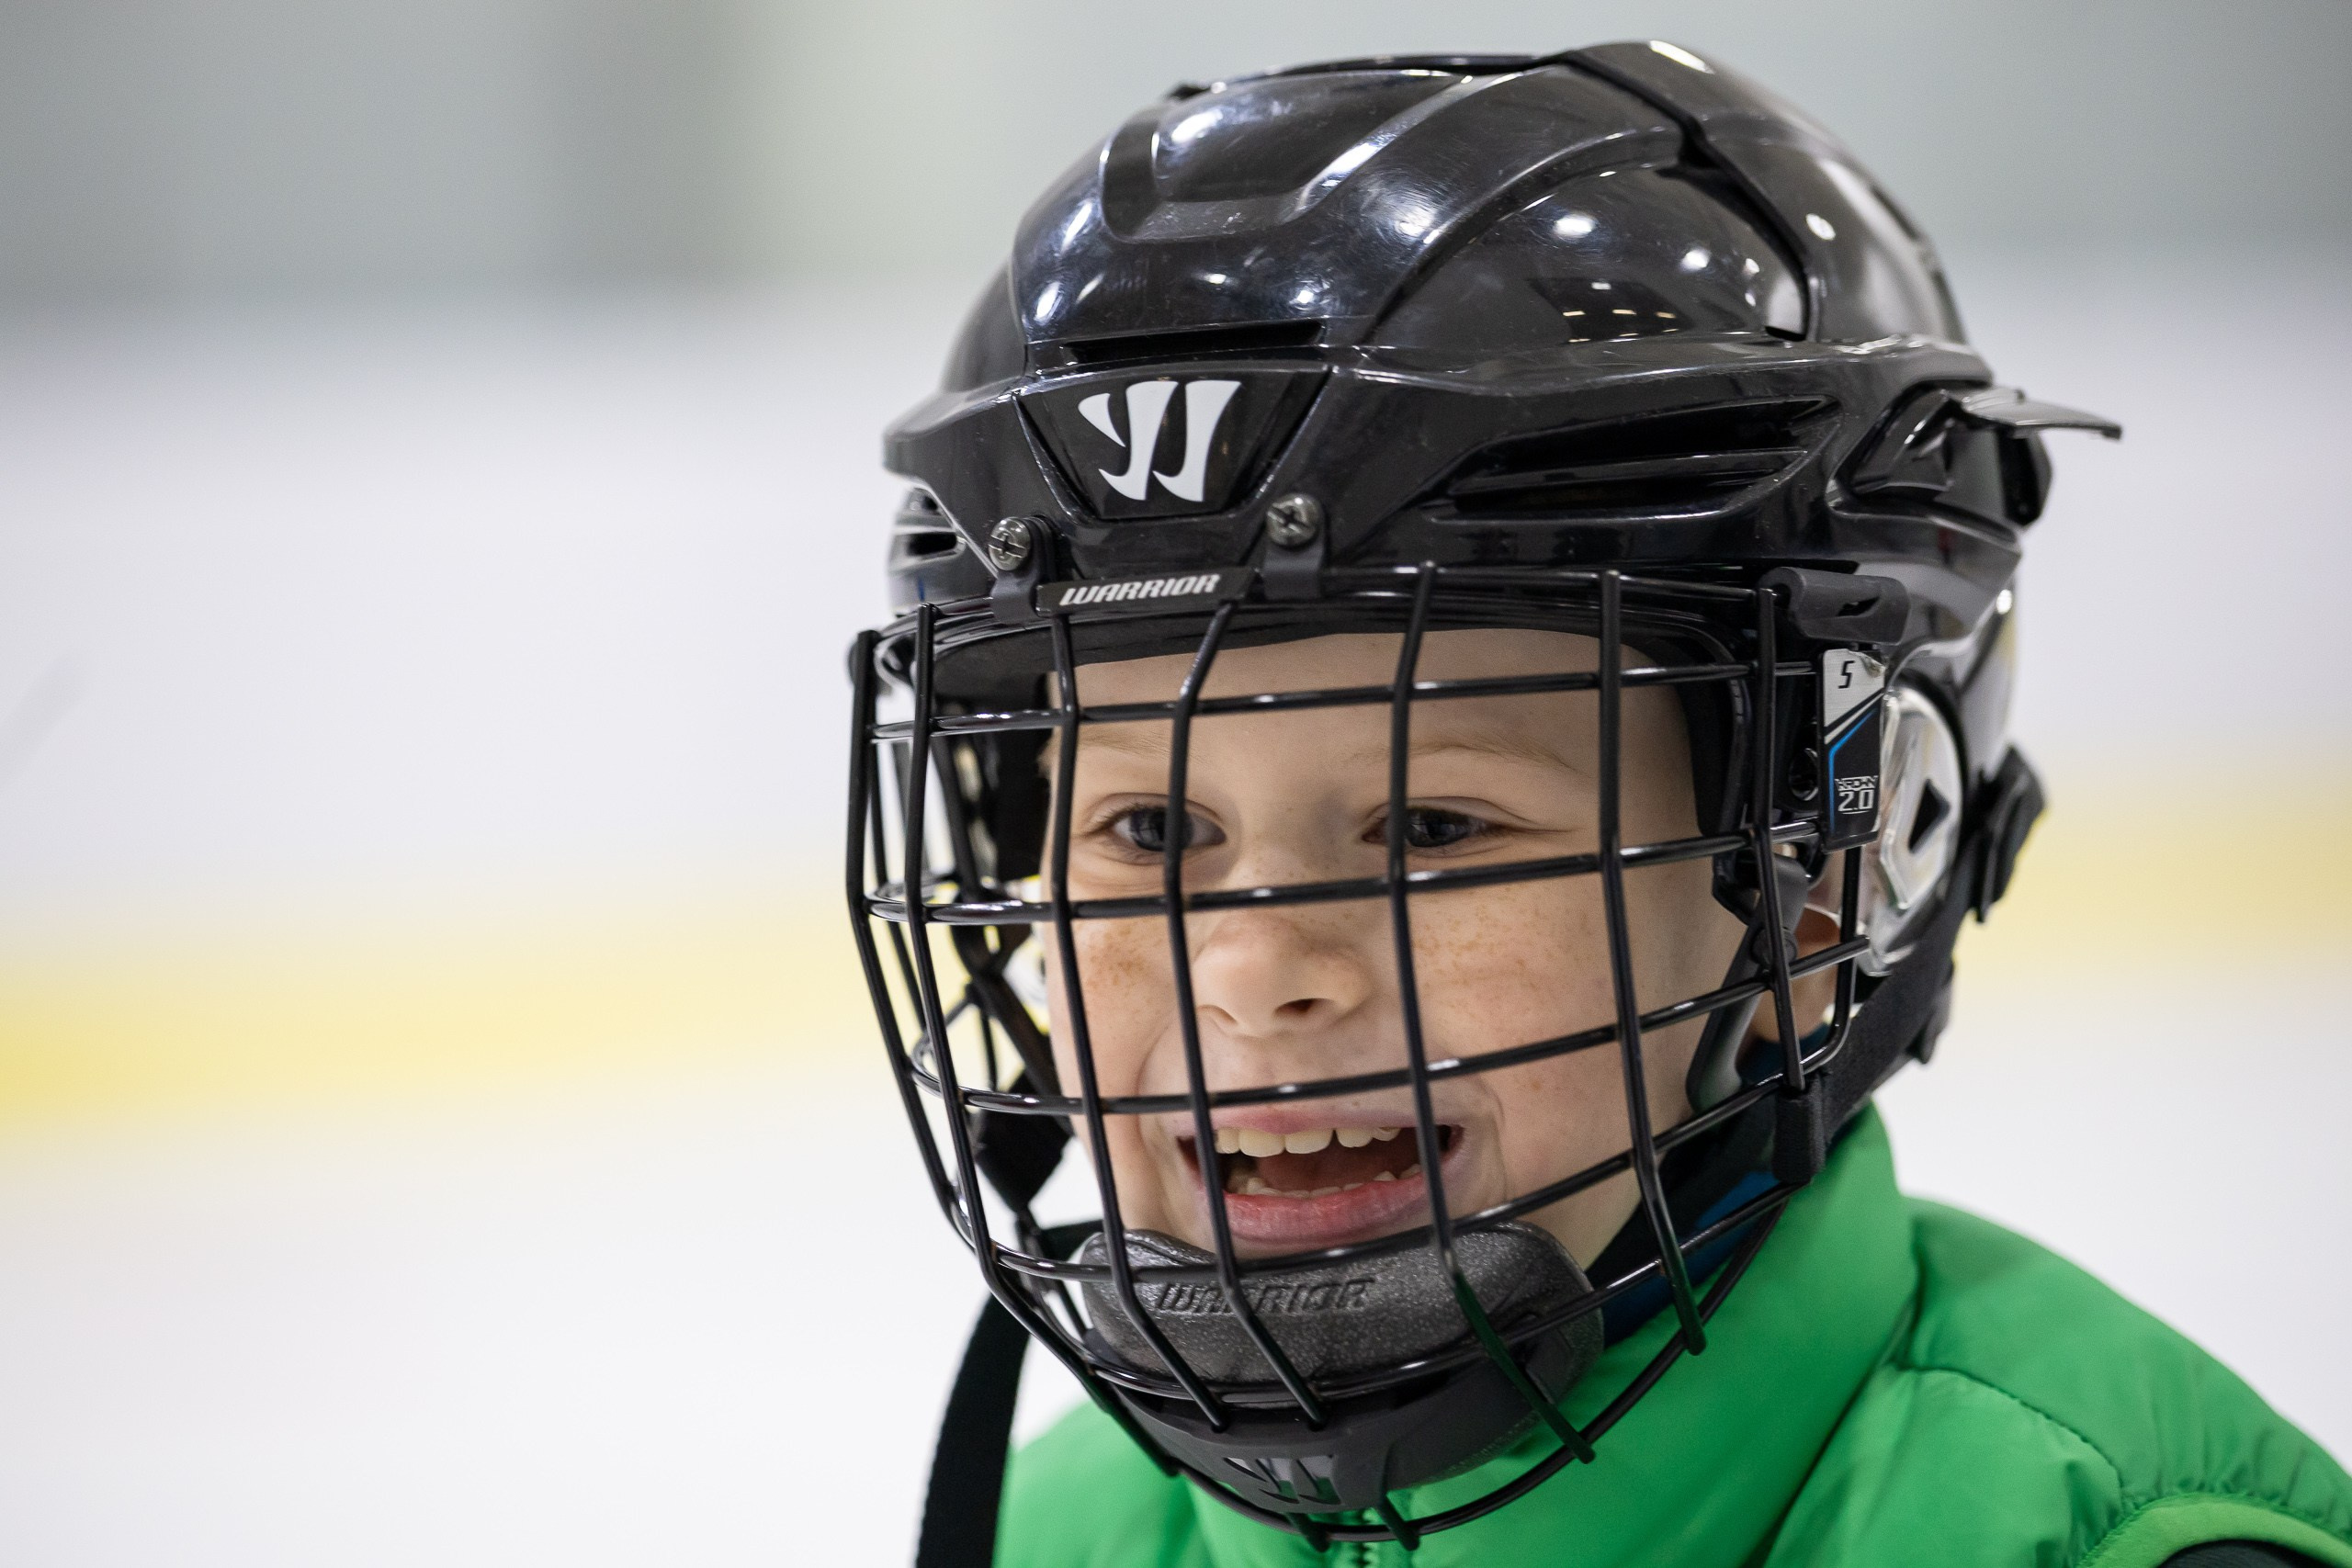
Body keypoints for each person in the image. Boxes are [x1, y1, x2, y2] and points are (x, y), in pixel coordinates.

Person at [844, 40, 2352, 1568]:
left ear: (1828, 872)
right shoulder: (1055, 1534)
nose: (1252, 978)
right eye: (1150, 834)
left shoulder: (2109, 1540)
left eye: (1433, 829)